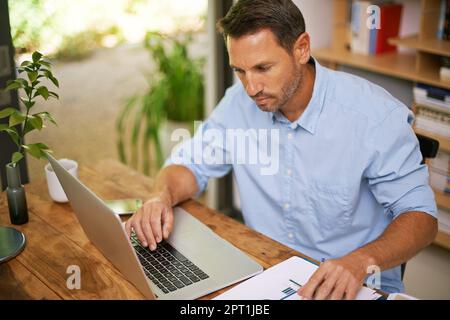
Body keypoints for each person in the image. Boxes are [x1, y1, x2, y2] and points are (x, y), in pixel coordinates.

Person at [125, 0, 437, 299]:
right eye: (240, 70)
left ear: (301, 48)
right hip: (263, 270)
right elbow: (191, 164)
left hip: (354, 282)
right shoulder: (239, 101)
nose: (251, 88)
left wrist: (359, 261)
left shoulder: (373, 116)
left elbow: (421, 218)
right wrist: (159, 196)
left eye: (263, 68)